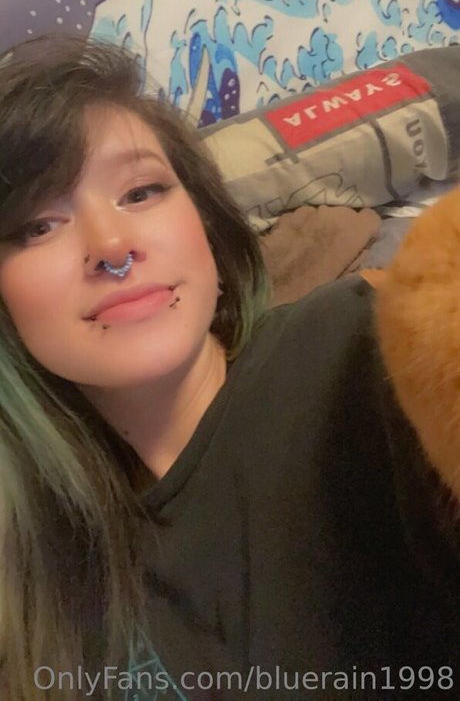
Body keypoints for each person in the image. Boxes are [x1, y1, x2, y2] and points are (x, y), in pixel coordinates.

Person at [0, 35, 458, 701]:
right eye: (38, 225)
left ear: (208, 229)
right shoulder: (43, 577)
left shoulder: (356, 351)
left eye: (142, 191)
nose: (112, 246)